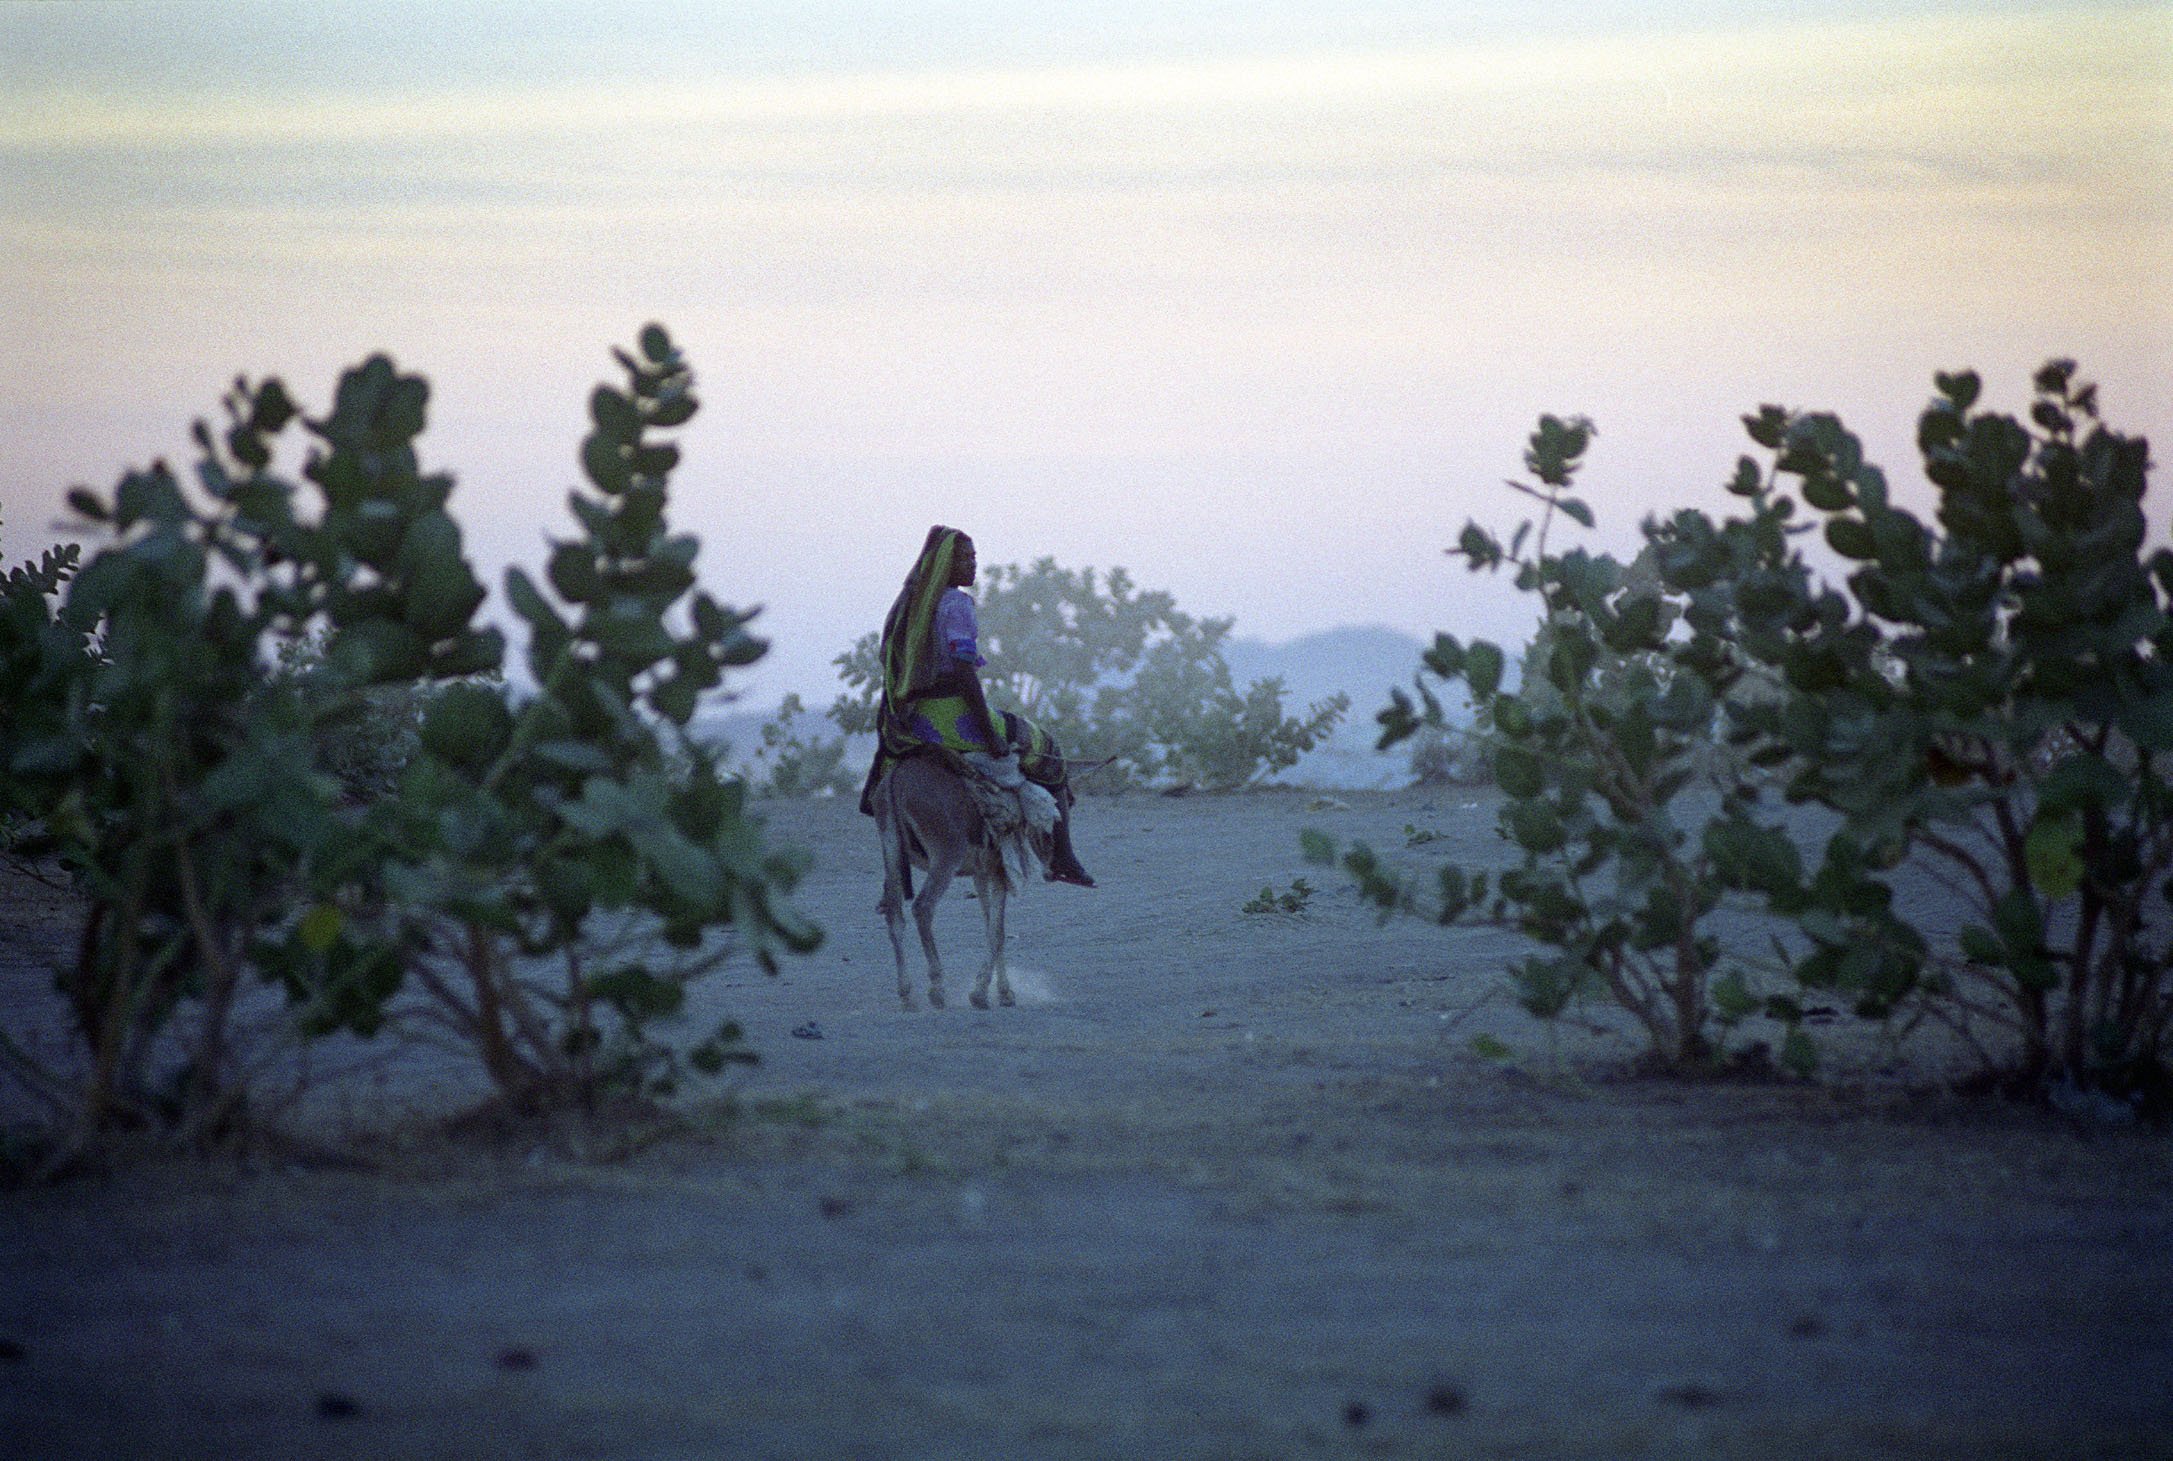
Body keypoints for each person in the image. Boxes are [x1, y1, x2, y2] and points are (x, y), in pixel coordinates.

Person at [859, 525, 1096, 887]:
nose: (972, 565)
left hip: (917, 719)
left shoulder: (914, 605)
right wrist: (987, 729)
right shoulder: (956, 603)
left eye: (974, 558)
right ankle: (1063, 857)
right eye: (964, 558)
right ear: (943, 565)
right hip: (953, 718)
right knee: (1048, 748)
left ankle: (897, 874)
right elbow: (964, 672)